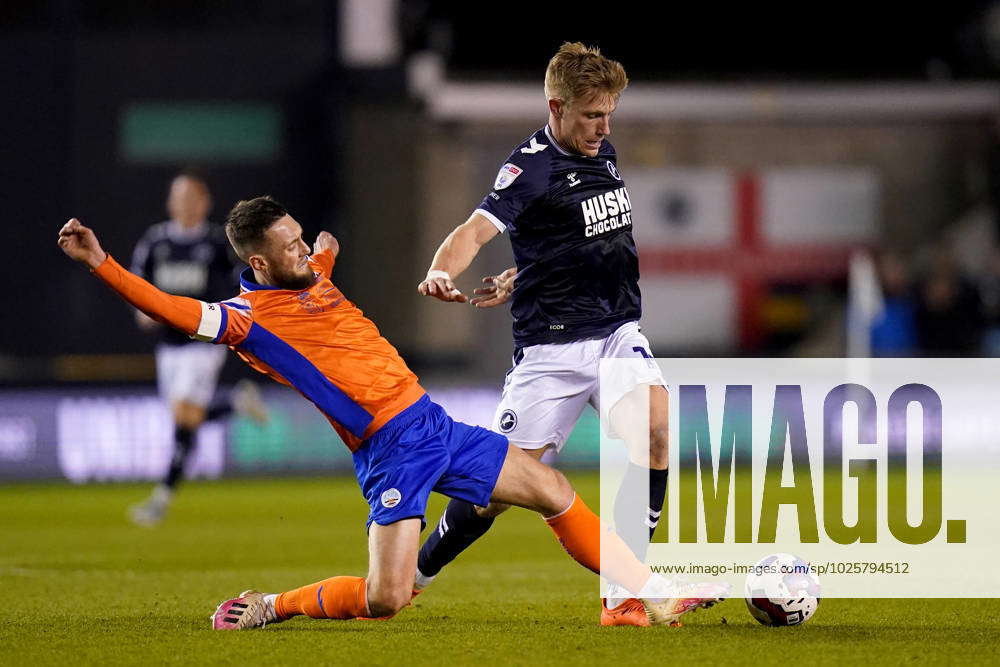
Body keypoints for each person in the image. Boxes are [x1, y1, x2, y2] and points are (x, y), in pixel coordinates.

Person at [57, 197, 726, 629]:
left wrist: (323, 248)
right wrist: (102, 263)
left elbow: (315, 259)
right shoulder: (244, 320)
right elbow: (171, 308)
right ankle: (272, 603)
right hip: (390, 450)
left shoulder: (307, 272)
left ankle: (646, 594)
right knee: (387, 598)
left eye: (299, 240)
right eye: (288, 248)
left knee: (551, 489)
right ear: (257, 262)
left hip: (432, 422)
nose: (302, 254)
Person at [415, 42, 669, 626]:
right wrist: (439, 270)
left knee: (655, 431)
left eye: (609, 114)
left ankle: (622, 595)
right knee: (495, 494)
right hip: (551, 350)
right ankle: (417, 573)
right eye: (592, 115)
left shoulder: (599, 150)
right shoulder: (528, 167)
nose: (605, 127)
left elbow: (576, 235)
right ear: (556, 106)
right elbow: (474, 231)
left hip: (614, 331)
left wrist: (524, 270)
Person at [128, 169, 267, 526]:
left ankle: (162, 497)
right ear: (170, 202)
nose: (185, 204)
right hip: (168, 346)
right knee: (187, 418)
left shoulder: (215, 242)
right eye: (179, 197)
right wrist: (141, 311)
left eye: (191, 197)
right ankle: (233, 403)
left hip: (202, 341)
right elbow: (136, 281)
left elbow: (242, 281)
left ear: (204, 202)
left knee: (182, 417)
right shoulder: (156, 241)